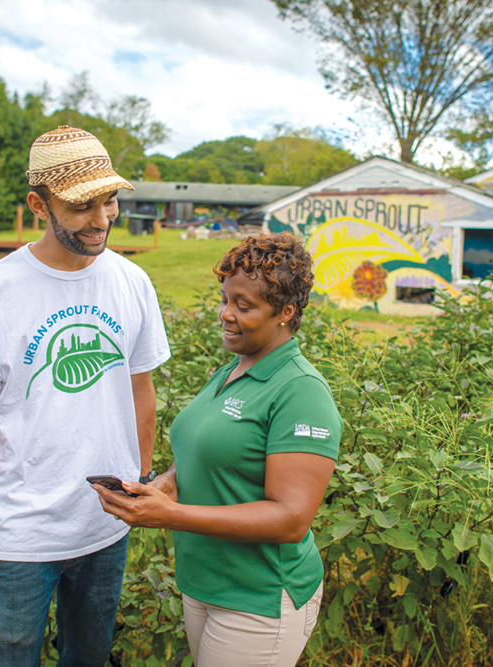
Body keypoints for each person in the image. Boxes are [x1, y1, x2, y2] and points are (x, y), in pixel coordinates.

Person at [0, 126, 171, 667]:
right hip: (19, 534)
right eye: (82, 205)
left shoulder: (133, 282)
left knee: (88, 655)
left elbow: (140, 388)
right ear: (39, 205)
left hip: (106, 524)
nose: (102, 218)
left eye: (109, 200)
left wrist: (141, 480)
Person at [93, 233, 343, 667]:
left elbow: (291, 517)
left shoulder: (301, 392)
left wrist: (172, 516)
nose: (226, 315)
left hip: (259, 596)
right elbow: (206, 453)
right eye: (224, 299)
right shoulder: (235, 368)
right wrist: (169, 483)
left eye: (244, 306)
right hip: (204, 584)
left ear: (286, 312)